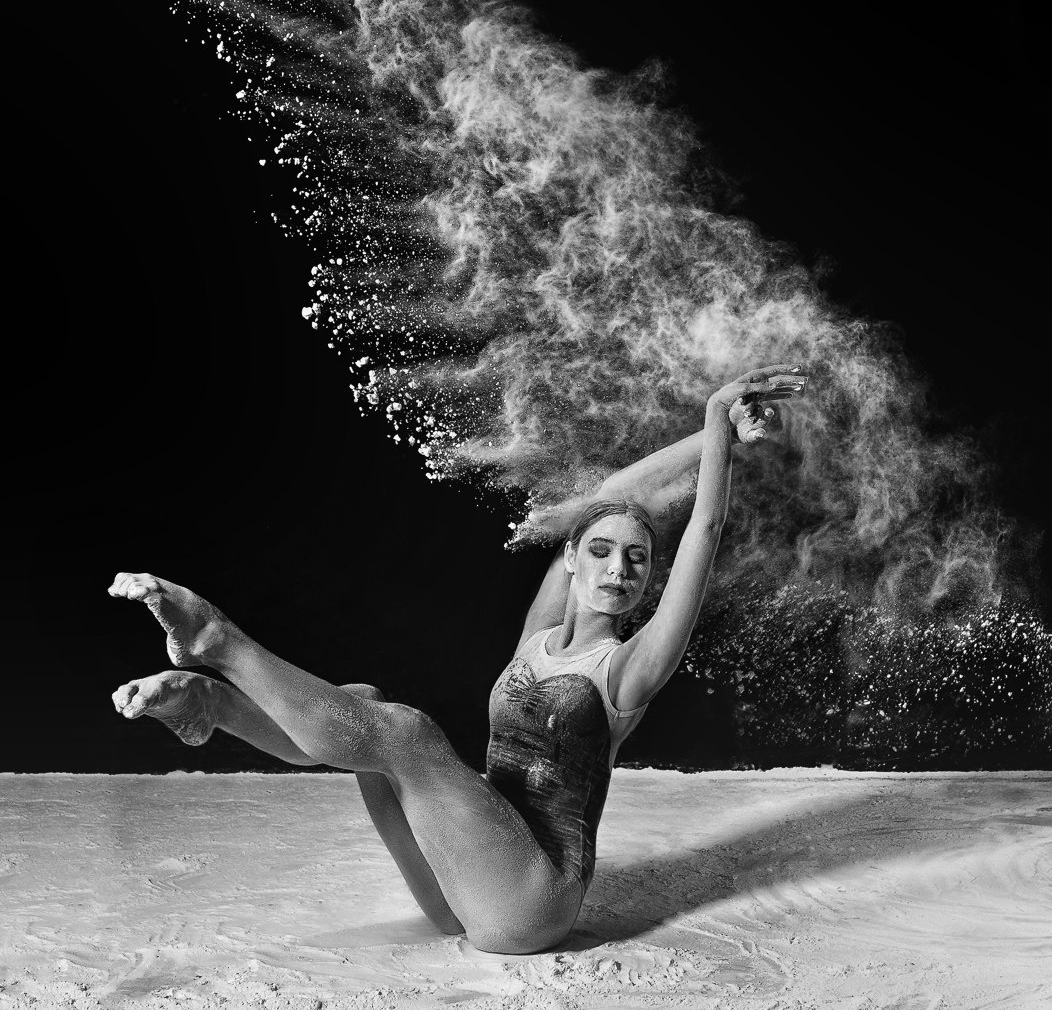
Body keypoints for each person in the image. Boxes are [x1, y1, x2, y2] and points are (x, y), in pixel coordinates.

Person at [110, 364, 807, 953]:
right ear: (571, 558)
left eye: (638, 559)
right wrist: (713, 434)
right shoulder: (539, 634)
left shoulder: (628, 669)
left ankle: (216, 642)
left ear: (649, 578)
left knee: (406, 732)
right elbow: (611, 499)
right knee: (362, 705)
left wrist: (717, 420)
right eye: (601, 551)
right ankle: (215, 707)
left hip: (532, 902)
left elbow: (705, 527)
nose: (619, 568)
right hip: (463, 887)